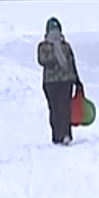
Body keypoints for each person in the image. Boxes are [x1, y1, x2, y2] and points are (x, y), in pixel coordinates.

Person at [36, 16, 84, 145]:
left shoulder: (45, 46)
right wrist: (77, 80)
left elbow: (43, 61)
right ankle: (62, 135)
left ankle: (60, 135)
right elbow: (69, 63)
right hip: (61, 82)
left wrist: (77, 80)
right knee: (62, 108)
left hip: (54, 82)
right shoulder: (61, 46)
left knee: (56, 109)